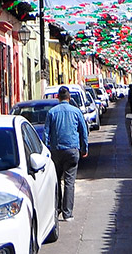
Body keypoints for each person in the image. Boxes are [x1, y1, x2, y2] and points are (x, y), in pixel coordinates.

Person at [43, 85, 89, 221]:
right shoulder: (76, 111)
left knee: (56, 180)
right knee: (69, 182)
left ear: (58, 97)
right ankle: (67, 213)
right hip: (72, 150)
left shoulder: (52, 112)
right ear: (69, 98)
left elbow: (46, 133)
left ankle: (57, 209)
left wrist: (47, 150)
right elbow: (83, 131)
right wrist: (84, 149)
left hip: (56, 151)